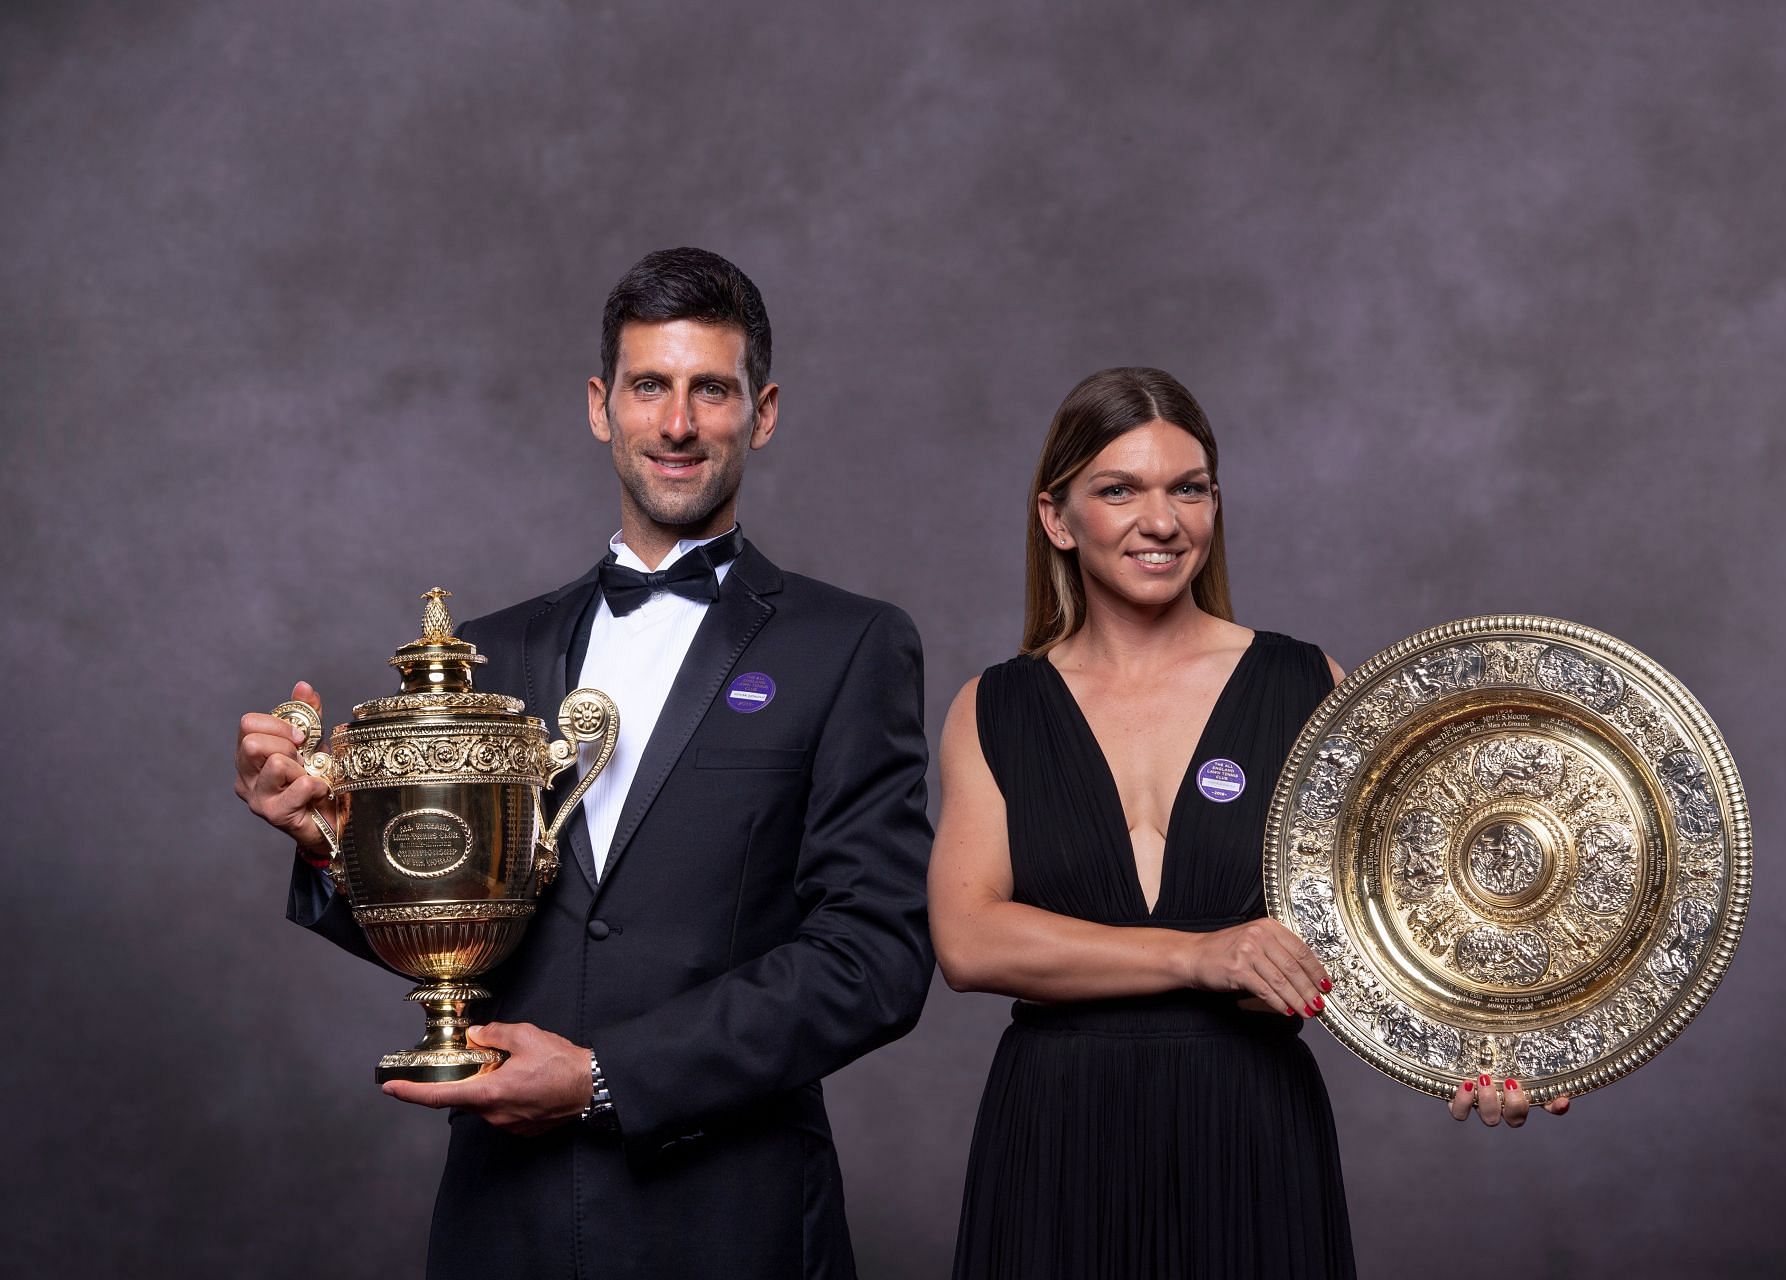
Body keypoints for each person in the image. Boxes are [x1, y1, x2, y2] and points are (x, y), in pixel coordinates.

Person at [233, 247, 935, 1279]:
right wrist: (331, 841)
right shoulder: (490, 654)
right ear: (602, 405)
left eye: (712, 389)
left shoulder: (851, 644)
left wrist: (608, 1075)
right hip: (505, 1222)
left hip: (735, 1223)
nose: (679, 422)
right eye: (650, 385)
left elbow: (875, 956)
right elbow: (451, 914)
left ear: (765, 409)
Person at [928, 367, 1568, 1280]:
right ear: (1057, 518)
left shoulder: (1309, 688)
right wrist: (1197, 954)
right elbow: (969, 940)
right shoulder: (993, 706)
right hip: (1054, 1131)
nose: (1163, 521)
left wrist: (1490, 1044)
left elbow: (1418, 913)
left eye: (1188, 489)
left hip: (1249, 1128)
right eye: (1120, 490)